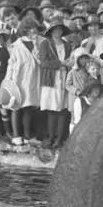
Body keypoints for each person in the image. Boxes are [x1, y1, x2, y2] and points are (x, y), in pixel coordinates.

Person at [5, 17, 41, 146]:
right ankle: (16, 136)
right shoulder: (17, 45)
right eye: (33, 28)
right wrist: (8, 80)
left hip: (32, 79)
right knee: (16, 107)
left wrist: (37, 46)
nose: (35, 31)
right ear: (27, 30)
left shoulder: (38, 43)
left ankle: (27, 136)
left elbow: (40, 60)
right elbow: (11, 63)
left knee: (28, 107)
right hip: (18, 79)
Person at [39, 16, 72, 150]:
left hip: (64, 77)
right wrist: (60, 63)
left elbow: (70, 60)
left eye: (59, 29)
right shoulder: (45, 44)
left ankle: (59, 139)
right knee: (52, 110)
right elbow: (43, 62)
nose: (57, 32)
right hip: (51, 79)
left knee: (62, 110)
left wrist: (69, 63)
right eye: (55, 29)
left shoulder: (67, 45)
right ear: (51, 31)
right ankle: (51, 137)